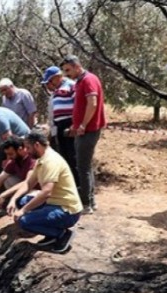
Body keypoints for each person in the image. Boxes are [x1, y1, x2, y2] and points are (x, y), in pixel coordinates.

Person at [8, 130, 83, 254]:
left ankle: (62, 234)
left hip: (67, 210)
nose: (26, 151)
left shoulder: (50, 161)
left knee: (24, 221)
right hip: (53, 203)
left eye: (28, 147)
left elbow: (46, 192)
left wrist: (23, 211)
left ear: (37, 145)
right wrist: (13, 199)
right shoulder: (41, 160)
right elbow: (28, 183)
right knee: (22, 201)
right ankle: (51, 233)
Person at [61, 55, 106, 214]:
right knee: (85, 166)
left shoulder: (88, 80)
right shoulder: (80, 81)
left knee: (82, 167)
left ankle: (86, 204)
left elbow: (92, 103)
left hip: (89, 130)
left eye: (68, 70)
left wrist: (83, 125)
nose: (66, 74)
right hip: (83, 129)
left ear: (76, 66)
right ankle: (90, 201)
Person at [41, 66, 78, 187]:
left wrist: (75, 124)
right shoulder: (55, 92)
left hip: (70, 124)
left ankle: (78, 185)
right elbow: (53, 113)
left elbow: (78, 104)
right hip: (59, 126)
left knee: (73, 156)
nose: (48, 85)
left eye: (50, 81)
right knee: (64, 156)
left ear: (57, 77)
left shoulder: (71, 85)